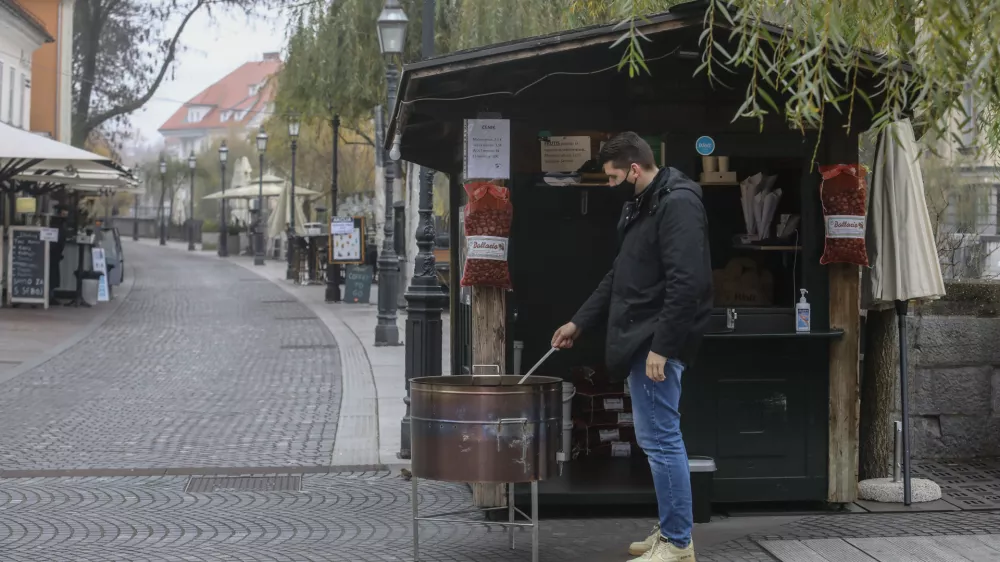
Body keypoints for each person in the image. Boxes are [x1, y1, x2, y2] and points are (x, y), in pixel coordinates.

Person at [551, 132, 712, 562]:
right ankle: (671, 531)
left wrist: (663, 346)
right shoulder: (647, 205)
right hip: (645, 338)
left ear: (634, 170)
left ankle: (678, 543)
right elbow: (618, 275)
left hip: (655, 342)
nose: (609, 185)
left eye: (612, 176)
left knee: (661, 440)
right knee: (656, 439)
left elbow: (687, 283)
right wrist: (578, 323)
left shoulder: (676, 204)